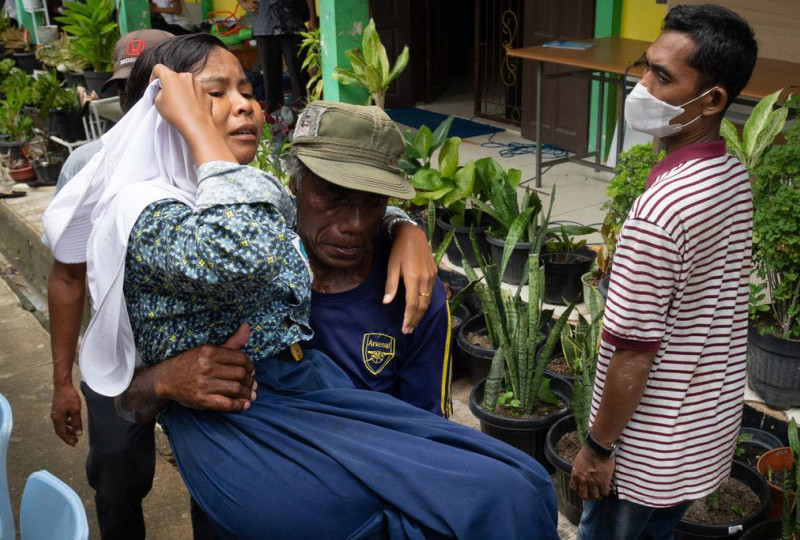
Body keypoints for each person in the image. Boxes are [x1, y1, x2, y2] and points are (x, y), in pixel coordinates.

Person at [43, 34, 558, 539]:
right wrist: (202, 134)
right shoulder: (150, 210)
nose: (244, 105)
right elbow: (241, 247)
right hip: (248, 417)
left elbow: (309, 212)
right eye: (213, 95)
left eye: (247, 89)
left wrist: (405, 225)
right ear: (169, 113)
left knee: (521, 483)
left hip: (304, 392)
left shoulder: (245, 195)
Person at [568, 5, 758, 539]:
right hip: (700, 433)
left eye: (663, 76)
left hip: (643, 452)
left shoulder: (660, 213)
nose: (642, 86)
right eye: (645, 66)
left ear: (713, 99)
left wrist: (599, 449)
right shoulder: (730, 171)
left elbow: (633, 348)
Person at [47, 29, 181, 540]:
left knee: (218, 490)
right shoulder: (88, 165)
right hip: (117, 365)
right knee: (116, 480)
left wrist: (403, 226)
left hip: (199, 358)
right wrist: (62, 381)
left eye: (153, 86)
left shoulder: (217, 167)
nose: (137, 103)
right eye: (128, 88)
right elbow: (66, 274)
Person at [286, 105, 452, 416]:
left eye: (374, 202)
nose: (356, 224)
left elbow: (425, 428)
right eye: (334, 197)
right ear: (294, 183)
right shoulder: (253, 270)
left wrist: (404, 226)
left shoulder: (415, 296)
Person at [237, 0, 314, 113]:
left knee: (299, 74)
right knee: (270, 77)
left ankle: (306, 114)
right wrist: (242, 2)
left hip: (292, 23)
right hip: (264, 23)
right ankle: (274, 117)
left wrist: (312, 17)